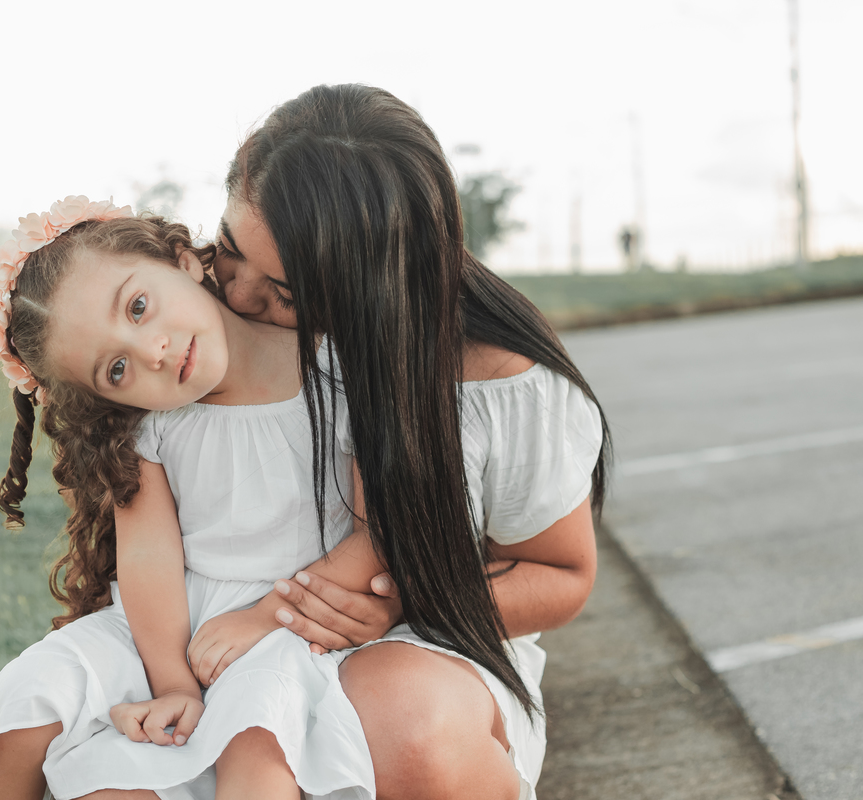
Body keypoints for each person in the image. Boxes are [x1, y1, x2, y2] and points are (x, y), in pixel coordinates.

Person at [208, 83, 610, 799]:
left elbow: (563, 576)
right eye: (230, 250)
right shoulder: (187, 321)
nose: (238, 297)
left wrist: (407, 606)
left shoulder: (501, 384)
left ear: (380, 283)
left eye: (289, 294)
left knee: (395, 725)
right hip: (227, 626)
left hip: (428, 648)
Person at [0, 196, 390, 800]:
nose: (151, 352)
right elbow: (149, 563)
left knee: (256, 740)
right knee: (27, 697)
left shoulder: (340, 371)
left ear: (181, 260)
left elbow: (383, 532)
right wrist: (174, 683)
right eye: (116, 370)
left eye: (138, 307)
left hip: (294, 624)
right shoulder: (151, 428)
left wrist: (266, 617)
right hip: (164, 629)